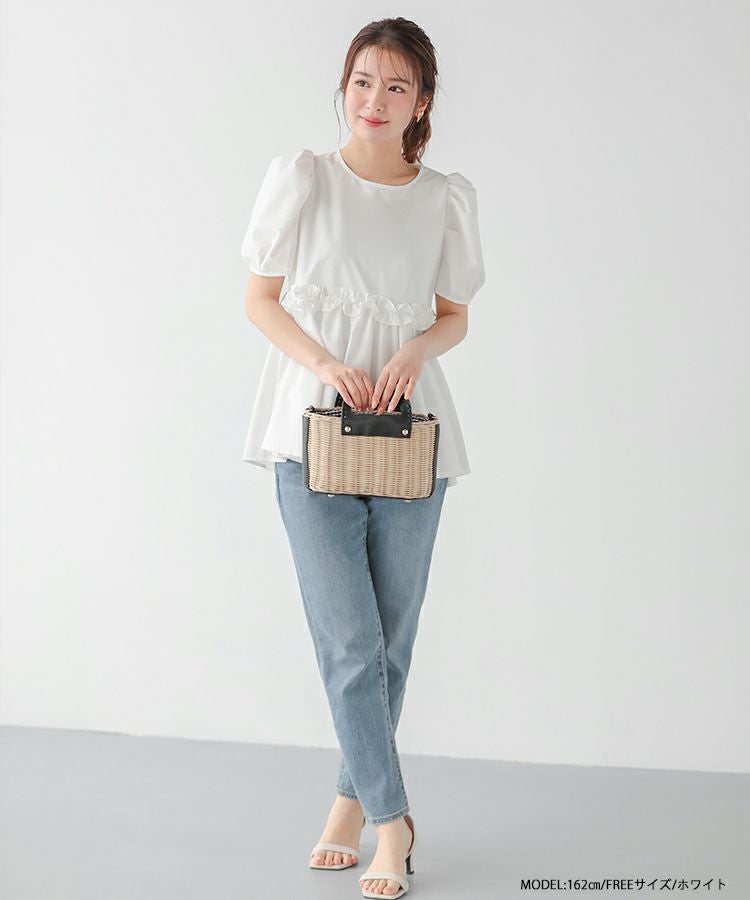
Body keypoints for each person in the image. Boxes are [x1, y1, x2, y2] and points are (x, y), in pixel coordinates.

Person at [239, 17, 485, 899]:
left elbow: (453, 315)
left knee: (388, 642)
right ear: (343, 87)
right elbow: (260, 300)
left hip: (412, 438)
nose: (374, 100)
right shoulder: (304, 179)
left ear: (422, 101)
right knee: (349, 640)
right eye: (361, 82)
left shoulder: (443, 197)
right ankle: (393, 823)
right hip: (308, 433)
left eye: (395, 86)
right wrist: (325, 363)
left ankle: (349, 804)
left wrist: (415, 350)